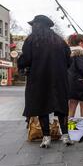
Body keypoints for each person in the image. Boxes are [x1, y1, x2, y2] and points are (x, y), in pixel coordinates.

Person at [18, 15, 73, 148]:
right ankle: (65, 135)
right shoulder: (59, 41)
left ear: (38, 25)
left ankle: (46, 137)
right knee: (61, 106)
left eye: (34, 25)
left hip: (39, 79)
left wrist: (22, 64)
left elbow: (25, 59)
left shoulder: (32, 40)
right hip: (59, 79)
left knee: (41, 106)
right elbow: (69, 60)